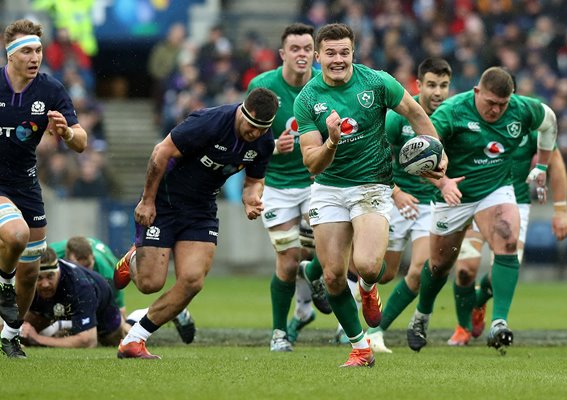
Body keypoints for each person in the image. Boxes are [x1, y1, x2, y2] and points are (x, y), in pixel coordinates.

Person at [294, 23, 444, 367]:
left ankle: (368, 287)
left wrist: (439, 152)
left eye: (344, 52)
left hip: (372, 185)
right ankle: (360, 348)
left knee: (368, 266)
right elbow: (311, 162)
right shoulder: (307, 100)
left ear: (353, 53)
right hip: (329, 187)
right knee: (332, 274)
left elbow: (416, 113)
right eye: (330, 53)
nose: (338, 59)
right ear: (318, 56)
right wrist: (331, 140)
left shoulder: (377, 82)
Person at [112, 87, 279, 359]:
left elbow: (254, 180)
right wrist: (147, 200)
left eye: (263, 129)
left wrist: (251, 198)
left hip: (201, 209)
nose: (255, 133)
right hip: (165, 202)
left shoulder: (263, 142)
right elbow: (161, 152)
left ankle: (135, 339)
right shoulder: (209, 122)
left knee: (192, 281)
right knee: (149, 283)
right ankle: (134, 257)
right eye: (252, 126)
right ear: (242, 111)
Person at [406, 67, 558, 354]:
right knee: (439, 265)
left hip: (495, 189)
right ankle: (421, 316)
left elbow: (550, 122)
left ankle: (499, 321)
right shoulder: (450, 113)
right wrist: (443, 183)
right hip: (455, 193)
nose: (496, 110)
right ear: (477, 92)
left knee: (508, 240)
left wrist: (541, 165)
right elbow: (418, 157)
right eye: (490, 103)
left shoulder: (523, 110)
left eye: (503, 104)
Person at [0, 19, 87, 358]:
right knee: (16, 234)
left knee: (30, 273)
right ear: (10, 55)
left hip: (25, 183)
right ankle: (3, 282)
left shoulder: (50, 90)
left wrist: (66, 133)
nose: (35, 57)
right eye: (26, 51)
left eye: (38, 50)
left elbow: (81, 141)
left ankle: (9, 335)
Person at [246, 23, 330, 352]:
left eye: (307, 48)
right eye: (295, 49)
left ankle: (307, 302)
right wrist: (272, 146)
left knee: (324, 252)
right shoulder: (262, 86)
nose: (302, 54)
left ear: (316, 53)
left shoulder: (327, 85)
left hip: (317, 183)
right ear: (282, 54)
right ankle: (280, 332)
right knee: (289, 259)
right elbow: (248, 135)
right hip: (277, 184)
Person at [447, 137, 567, 346]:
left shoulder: (527, 120)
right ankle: (463, 328)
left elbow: (556, 162)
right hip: (476, 198)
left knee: (501, 273)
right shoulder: (473, 116)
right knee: (465, 270)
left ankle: (478, 304)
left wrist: (561, 210)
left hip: (516, 203)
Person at [366, 57, 453, 353]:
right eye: (431, 85)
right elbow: (375, 159)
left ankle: (376, 332)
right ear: (419, 85)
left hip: (429, 205)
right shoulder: (398, 118)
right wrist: (397, 192)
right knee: (383, 273)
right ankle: (327, 274)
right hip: (395, 201)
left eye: (443, 85)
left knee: (418, 271)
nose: (437, 92)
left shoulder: (450, 117)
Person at [19, 247, 129, 348]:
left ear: (58, 272)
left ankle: (137, 327)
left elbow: (89, 341)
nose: (45, 284)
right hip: (57, 307)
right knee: (19, 329)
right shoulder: (25, 279)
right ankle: (64, 331)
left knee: (116, 342)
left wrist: (37, 339)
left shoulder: (80, 285)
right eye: (39, 278)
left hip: (102, 314)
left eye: (50, 276)